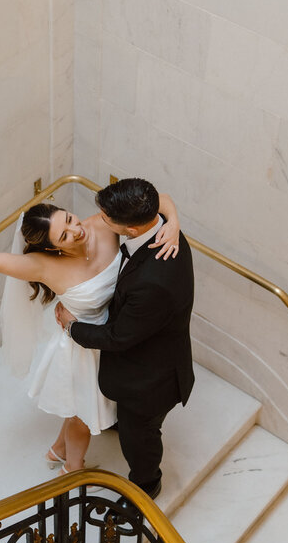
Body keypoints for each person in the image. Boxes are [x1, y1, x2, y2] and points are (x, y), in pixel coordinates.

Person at [0, 192, 181, 473]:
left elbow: (151, 198)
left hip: (113, 334)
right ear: (51, 248)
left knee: (78, 409)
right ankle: (73, 469)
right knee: (82, 417)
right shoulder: (43, 266)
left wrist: (173, 223)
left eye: (70, 219)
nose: (76, 231)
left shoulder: (102, 224)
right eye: (64, 236)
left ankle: (57, 451)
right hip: (83, 348)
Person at [55, 177, 194, 500]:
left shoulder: (153, 282)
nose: (98, 222)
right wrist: (174, 219)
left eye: (105, 219)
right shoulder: (160, 223)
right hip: (150, 342)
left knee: (139, 436)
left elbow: (117, 337)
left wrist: (71, 327)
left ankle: (147, 485)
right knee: (129, 425)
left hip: (152, 380)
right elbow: (163, 197)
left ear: (130, 229)